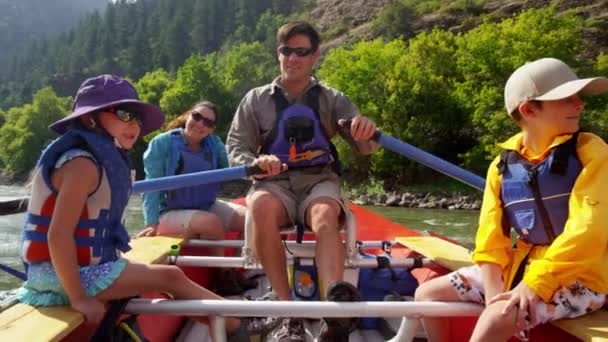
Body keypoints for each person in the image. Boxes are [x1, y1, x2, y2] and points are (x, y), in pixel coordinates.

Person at [17, 75, 247, 339]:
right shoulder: (81, 165)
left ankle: (230, 323)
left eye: (137, 117)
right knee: (171, 278)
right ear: (91, 119)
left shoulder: (97, 158)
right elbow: (57, 236)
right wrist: (78, 298)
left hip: (79, 269)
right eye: (125, 114)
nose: (135, 124)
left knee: (169, 281)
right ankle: (237, 327)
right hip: (59, 276)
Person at [415, 57, 608, 342]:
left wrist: (534, 285)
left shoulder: (592, 153)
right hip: (522, 267)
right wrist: (494, 294)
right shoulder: (502, 166)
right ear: (529, 109)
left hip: (584, 276)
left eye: (577, 97)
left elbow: (588, 233)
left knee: (499, 315)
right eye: (567, 98)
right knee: (427, 294)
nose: (580, 104)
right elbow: (491, 240)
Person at [226, 21, 379, 341]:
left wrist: (365, 132)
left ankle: (333, 315)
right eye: (286, 51)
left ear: (314, 57)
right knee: (261, 209)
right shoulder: (255, 99)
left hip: (318, 181)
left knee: (325, 215)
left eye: (301, 52)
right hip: (273, 182)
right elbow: (236, 148)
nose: (292, 58)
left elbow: (365, 148)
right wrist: (254, 162)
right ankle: (286, 313)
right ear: (278, 54)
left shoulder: (332, 99)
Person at [138, 101, 252, 295]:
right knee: (211, 222)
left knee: (252, 218)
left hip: (205, 205)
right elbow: (151, 185)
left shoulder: (214, 145)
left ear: (212, 129)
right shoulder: (162, 143)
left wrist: (256, 164)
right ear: (188, 116)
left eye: (207, 123)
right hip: (170, 211)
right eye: (197, 117)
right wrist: (151, 222)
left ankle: (236, 269)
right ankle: (222, 277)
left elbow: (233, 168)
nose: (200, 124)